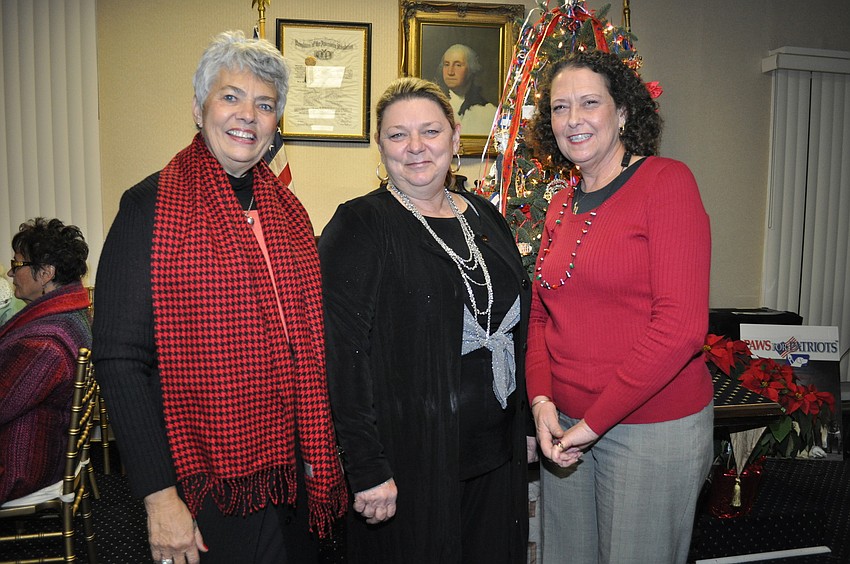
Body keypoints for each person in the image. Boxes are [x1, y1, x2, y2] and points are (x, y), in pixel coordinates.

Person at [92, 31, 347, 564]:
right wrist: (159, 496)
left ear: (277, 123)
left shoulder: (291, 213)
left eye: (264, 104)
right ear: (198, 107)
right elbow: (120, 360)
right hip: (203, 476)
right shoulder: (149, 207)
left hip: (294, 469)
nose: (247, 116)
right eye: (231, 96)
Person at [319, 76, 532, 563]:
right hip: (409, 462)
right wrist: (366, 467)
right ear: (381, 146)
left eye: (430, 132)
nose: (415, 147)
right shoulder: (360, 226)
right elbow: (341, 356)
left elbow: (517, 329)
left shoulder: (484, 216)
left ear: (455, 139)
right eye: (397, 135)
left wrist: (522, 427)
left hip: (495, 459)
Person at [525, 50, 713, 564]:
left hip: (650, 431)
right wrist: (541, 402)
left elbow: (680, 328)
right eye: (560, 108)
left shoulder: (666, 183)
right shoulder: (562, 203)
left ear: (624, 112)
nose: (573, 119)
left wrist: (591, 425)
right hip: (565, 426)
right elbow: (541, 313)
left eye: (590, 103)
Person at [1, 218, 91, 504]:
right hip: (47, 450)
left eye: (18, 265)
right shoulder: (71, 315)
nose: (11, 273)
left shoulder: (44, 342)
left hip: (22, 465)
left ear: (46, 273)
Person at [437, 44, 498, 136]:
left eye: (458, 65)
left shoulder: (487, 111)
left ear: (471, 69)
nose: (450, 72)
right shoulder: (434, 106)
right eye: (446, 64)